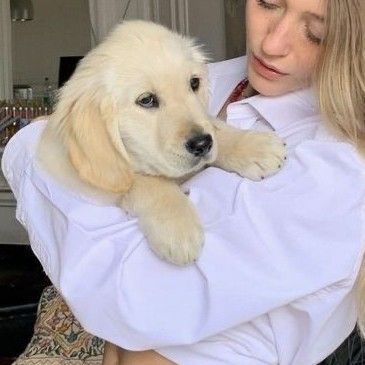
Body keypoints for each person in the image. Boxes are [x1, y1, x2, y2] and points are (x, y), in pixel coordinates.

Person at [2, 0, 365, 363]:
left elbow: (140, 300)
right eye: (268, 3)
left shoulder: (335, 170)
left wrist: (33, 143)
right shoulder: (205, 74)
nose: (272, 44)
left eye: (314, 32)